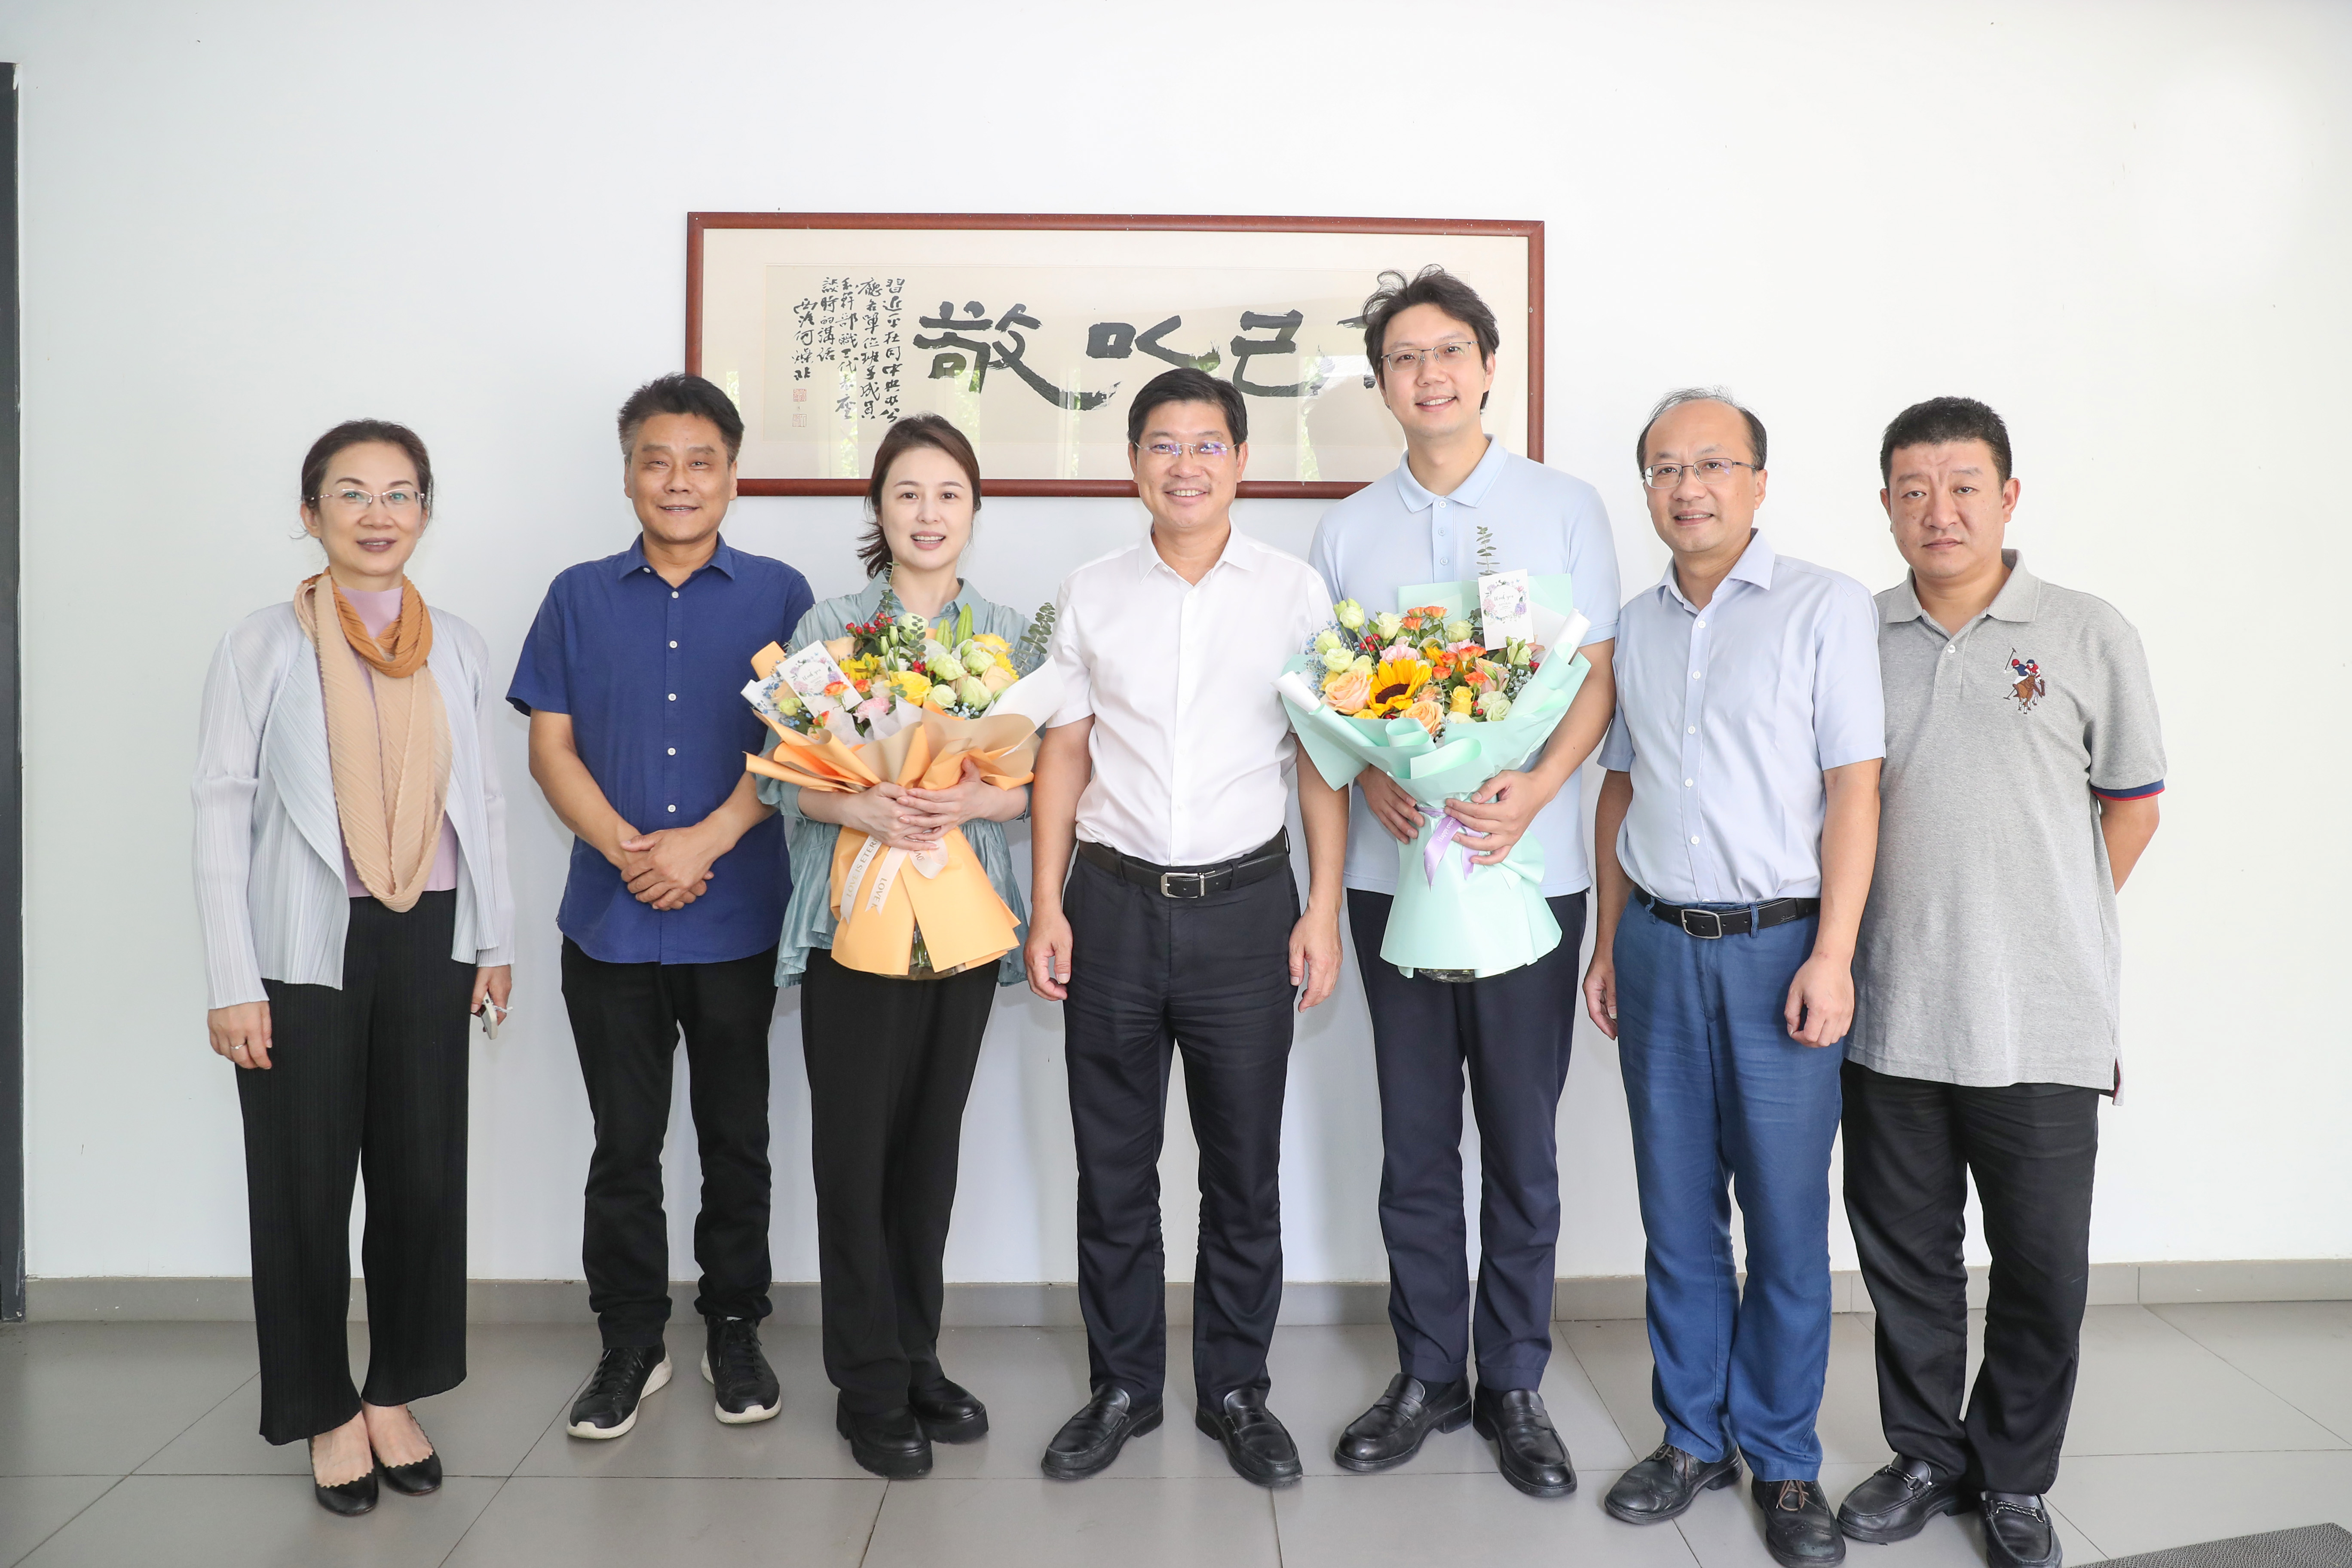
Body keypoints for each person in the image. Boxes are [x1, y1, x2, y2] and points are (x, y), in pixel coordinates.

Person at [1305, 266, 1621, 1498]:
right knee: (1417, 1139)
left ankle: (1516, 1381)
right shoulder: (1349, 530)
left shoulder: (1565, 507)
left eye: (1448, 352)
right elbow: (1334, 703)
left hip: (1529, 877)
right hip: (1395, 882)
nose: (1428, 375)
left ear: (1489, 367)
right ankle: (1429, 1372)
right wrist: (1373, 781)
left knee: (1524, 1141)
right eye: (1403, 358)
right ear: (1381, 384)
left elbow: (1594, 676)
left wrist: (1535, 789)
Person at [1835, 398, 2163, 1568]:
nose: (1941, 510)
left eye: (1965, 486)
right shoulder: (1852, 635)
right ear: (1886, 506)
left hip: (2044, 1017)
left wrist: (2042, 919)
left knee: (2041, 1266)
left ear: (2009, 496)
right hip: (1889, 1010)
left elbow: (2133, 808)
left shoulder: (2086, 632)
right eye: (1914, 490)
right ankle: (1928, 1456)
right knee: (1907, 1260)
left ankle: (2015, 1476)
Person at [1024, 367, 1347, 1488]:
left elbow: (1320, 762)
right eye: (1163, 444)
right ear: (1133, 464)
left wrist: (1321, 909)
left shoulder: (1294, 594)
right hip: (1110, 908)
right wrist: (1048, 901)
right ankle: (1122, 1384)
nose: (1186, 465)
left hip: (1248, 910)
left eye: (1208, 444)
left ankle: (1236, 1389)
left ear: (1242, 461)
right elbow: (1064, 752)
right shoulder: (1091, 592)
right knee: (1113, 1169)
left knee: (1242, 1169)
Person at [1582, 389, 1884, 1567]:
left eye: (1712, 464)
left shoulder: (1825, 607)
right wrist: (1610, 941)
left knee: (1786, 1220)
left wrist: (1833, 955)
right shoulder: (1636, 624)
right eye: (1665, 468)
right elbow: (1620, 786)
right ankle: (1691, 1438)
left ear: (1759, 481)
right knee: (1677, 1214)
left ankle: (1786, 1459)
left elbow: (1855, 787)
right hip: (1658, 944)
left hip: (1780, 950)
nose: (1688, 488)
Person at [193, 420, 514, 1516]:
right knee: (304, 1187)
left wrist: (497, 940)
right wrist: (232, 979)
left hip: (431, 932)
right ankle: (325, 1409)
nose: (380, 514)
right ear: (311, 512)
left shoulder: (456, 644)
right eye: (353, 493)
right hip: (301, 946)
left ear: (424, 511)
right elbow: (219, 808)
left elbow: (484, 804)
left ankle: (393, 1394)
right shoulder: (261, 645)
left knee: (422, 1181)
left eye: (400, 493)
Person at [508, 373, 812, 1440]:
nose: (678, 481)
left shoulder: (782, 595)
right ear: (629, 474)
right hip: (611, 922)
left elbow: (802, 748)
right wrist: (631, 852)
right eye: (657, 461)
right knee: (623, 1145)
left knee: (736, 1140)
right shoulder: (576, 596)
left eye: (701, 462)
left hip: (737, 921)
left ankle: (734, 1328)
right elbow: (549, 747)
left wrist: (706, 842)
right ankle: (631, 1341)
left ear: (732, 476)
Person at [757, 415, 1032, 1479]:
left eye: (949, 493)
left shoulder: (1006, 634)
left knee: (929, 1153)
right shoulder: (828, 628)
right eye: (908, 492)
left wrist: (977, 797)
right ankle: (866, 1385)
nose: (928, 513)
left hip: (962, 930)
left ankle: (918, 1358)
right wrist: (857, 806)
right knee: (854, 1155)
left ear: (976, 508)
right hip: (854, 927)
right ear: (878, 506)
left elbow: (1038, 783)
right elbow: (785, 783)